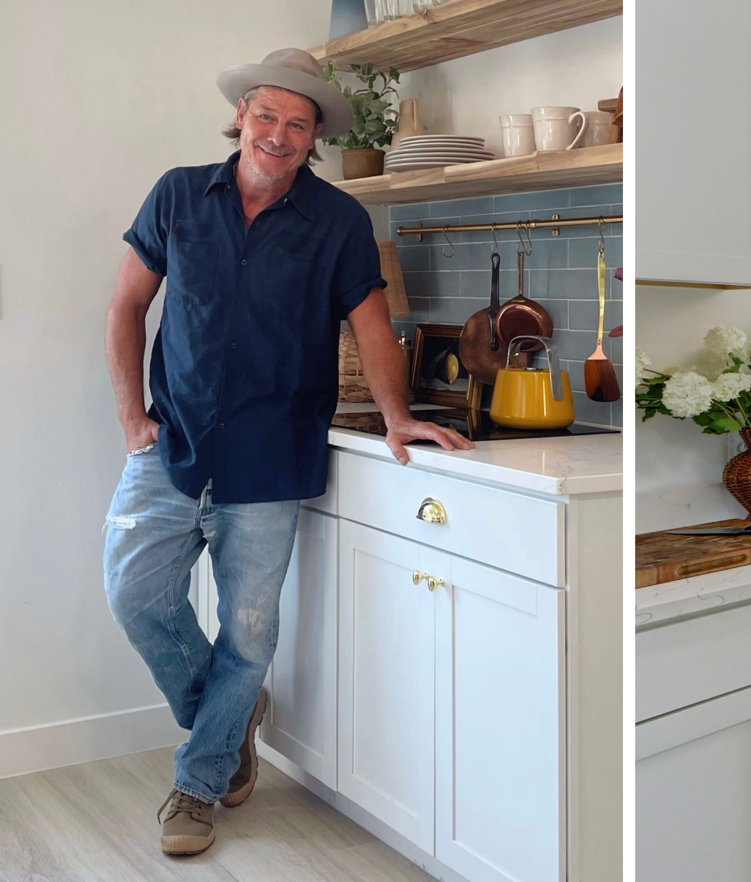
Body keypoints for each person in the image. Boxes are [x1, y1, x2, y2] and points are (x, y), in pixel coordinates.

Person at [102, 48, 473, 856]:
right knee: (133, 595)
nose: (277, 133)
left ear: (313, 140)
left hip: (272, 457)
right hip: (172, 445)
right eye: (266, 115)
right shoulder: (176, 194)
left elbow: (372, 327)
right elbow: (128, 305)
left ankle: (199, 783)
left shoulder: (339, 222)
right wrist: (134, 419)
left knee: (251, 630)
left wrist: (399, 416)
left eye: (296, 124)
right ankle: (228, 712)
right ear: (241, 118)